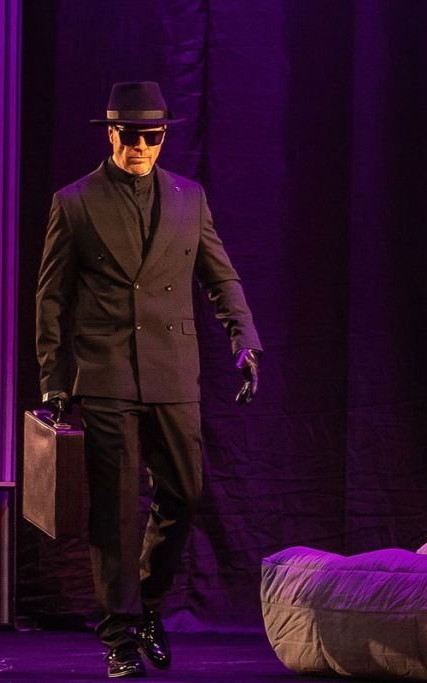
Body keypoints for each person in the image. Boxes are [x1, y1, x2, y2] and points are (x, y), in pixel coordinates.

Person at [35, 82, 262, 678]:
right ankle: (118, 635)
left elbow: (220, 275)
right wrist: (54, 380)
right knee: (113, 509)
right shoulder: (75, 202)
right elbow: (51, 299)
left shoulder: (189, 198)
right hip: (105, 370)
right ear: (111, 134)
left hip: (172, 368)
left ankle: (148, 604)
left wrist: (244, 338)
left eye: (151, 136)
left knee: (184, 493)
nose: (139, 146)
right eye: (129, 135)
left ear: (163, 138)